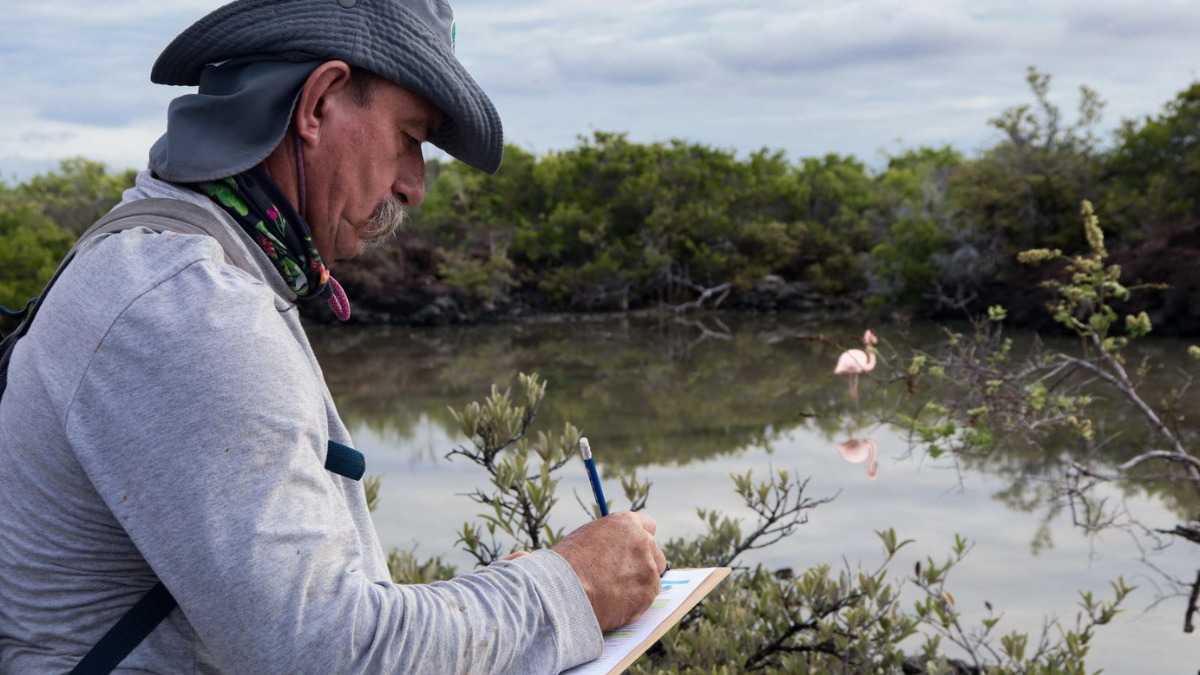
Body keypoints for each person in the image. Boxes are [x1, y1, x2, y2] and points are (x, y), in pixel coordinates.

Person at [0, 0, 666, 673]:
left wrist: (504, 598)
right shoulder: (193, 307)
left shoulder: (167, 255)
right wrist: (570, 588)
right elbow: (328, 654)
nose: (415, 185)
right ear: (318, 104)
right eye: (410, 136)